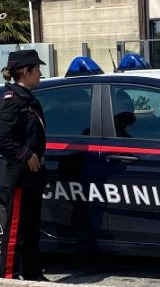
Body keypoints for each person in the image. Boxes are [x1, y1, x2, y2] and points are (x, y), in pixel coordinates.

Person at [0, 50, 49, 281]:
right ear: (26, 72)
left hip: (33, 175)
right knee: (15, 232)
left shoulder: (26, 97)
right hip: (20, 176)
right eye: (37, 69)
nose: (40, 72)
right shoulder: (13, 101)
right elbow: (2, 138)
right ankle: (8, 276)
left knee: (31, 229)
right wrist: (25, 154)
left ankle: (32, 273)